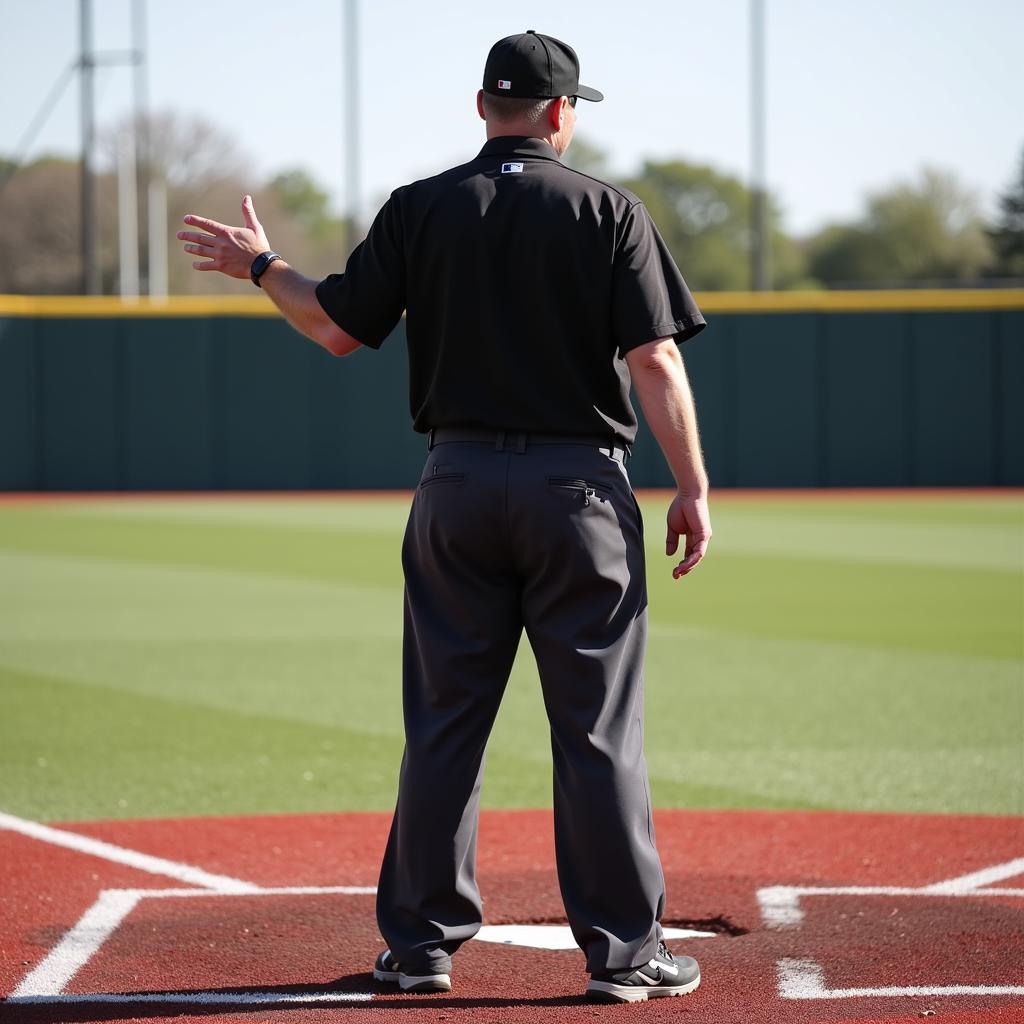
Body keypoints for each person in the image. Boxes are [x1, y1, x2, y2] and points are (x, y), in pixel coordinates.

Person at [177, 29, 711, 1005]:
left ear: (481, 108)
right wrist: (693, 485)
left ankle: (419, 946)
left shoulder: (421, 208)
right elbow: (654, 359)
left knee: (444, 725)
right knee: (595, 732)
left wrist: (260, 265)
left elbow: (336, 327)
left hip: (455, 484)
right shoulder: (607, 210)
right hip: (577, 493)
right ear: (562, 113)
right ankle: (624, 956)